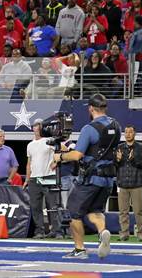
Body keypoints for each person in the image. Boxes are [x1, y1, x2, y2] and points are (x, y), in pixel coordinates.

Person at [53, 94, 121, 259]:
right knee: (95, 210)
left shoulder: (89, 128)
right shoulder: (116, 125)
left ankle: (79, 249)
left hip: (90, 178)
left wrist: (60, 157)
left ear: (91, 108)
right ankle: (102, 232)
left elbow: (77, 155)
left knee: (73, 212)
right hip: (107, 179)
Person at [25, 119, 63, 239]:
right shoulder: (30, 145)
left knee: (52, 205)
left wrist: (55, 161)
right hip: (34, 179)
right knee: (36, 207)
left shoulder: (49, 141)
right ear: (33, 128)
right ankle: (39, 231)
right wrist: (27, 179)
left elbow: (61, 150)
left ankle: (57, 231)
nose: (38, 127)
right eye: (36, 125)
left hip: (48, 176)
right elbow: (28, 163)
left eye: (40, 125)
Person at [115, 125, 142, 241]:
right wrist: (117, 160)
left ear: (135, 134)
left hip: (137, 184)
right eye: (126, 132)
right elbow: (115, 166)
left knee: (139, 211)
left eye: (130, 132)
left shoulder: (141, 148)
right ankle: (124, 234)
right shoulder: (119, 148)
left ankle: (141, 234)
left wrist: (133, 159)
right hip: (122, 184)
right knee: (123, 211)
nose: (128, 134)